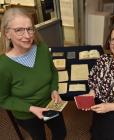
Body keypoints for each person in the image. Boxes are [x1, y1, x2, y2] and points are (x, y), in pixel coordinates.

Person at [0, 7, 66, 140]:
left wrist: (54, 89)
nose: (27, 35)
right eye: (19, 30)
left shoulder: (41, 48)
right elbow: (3, 99)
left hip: (50, 104)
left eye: (30, 29)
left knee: (60, 133)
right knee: (39, 138)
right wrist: (31, 108)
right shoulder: (3, 66)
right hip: (27, 114)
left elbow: (53, 72)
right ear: (7, 33)